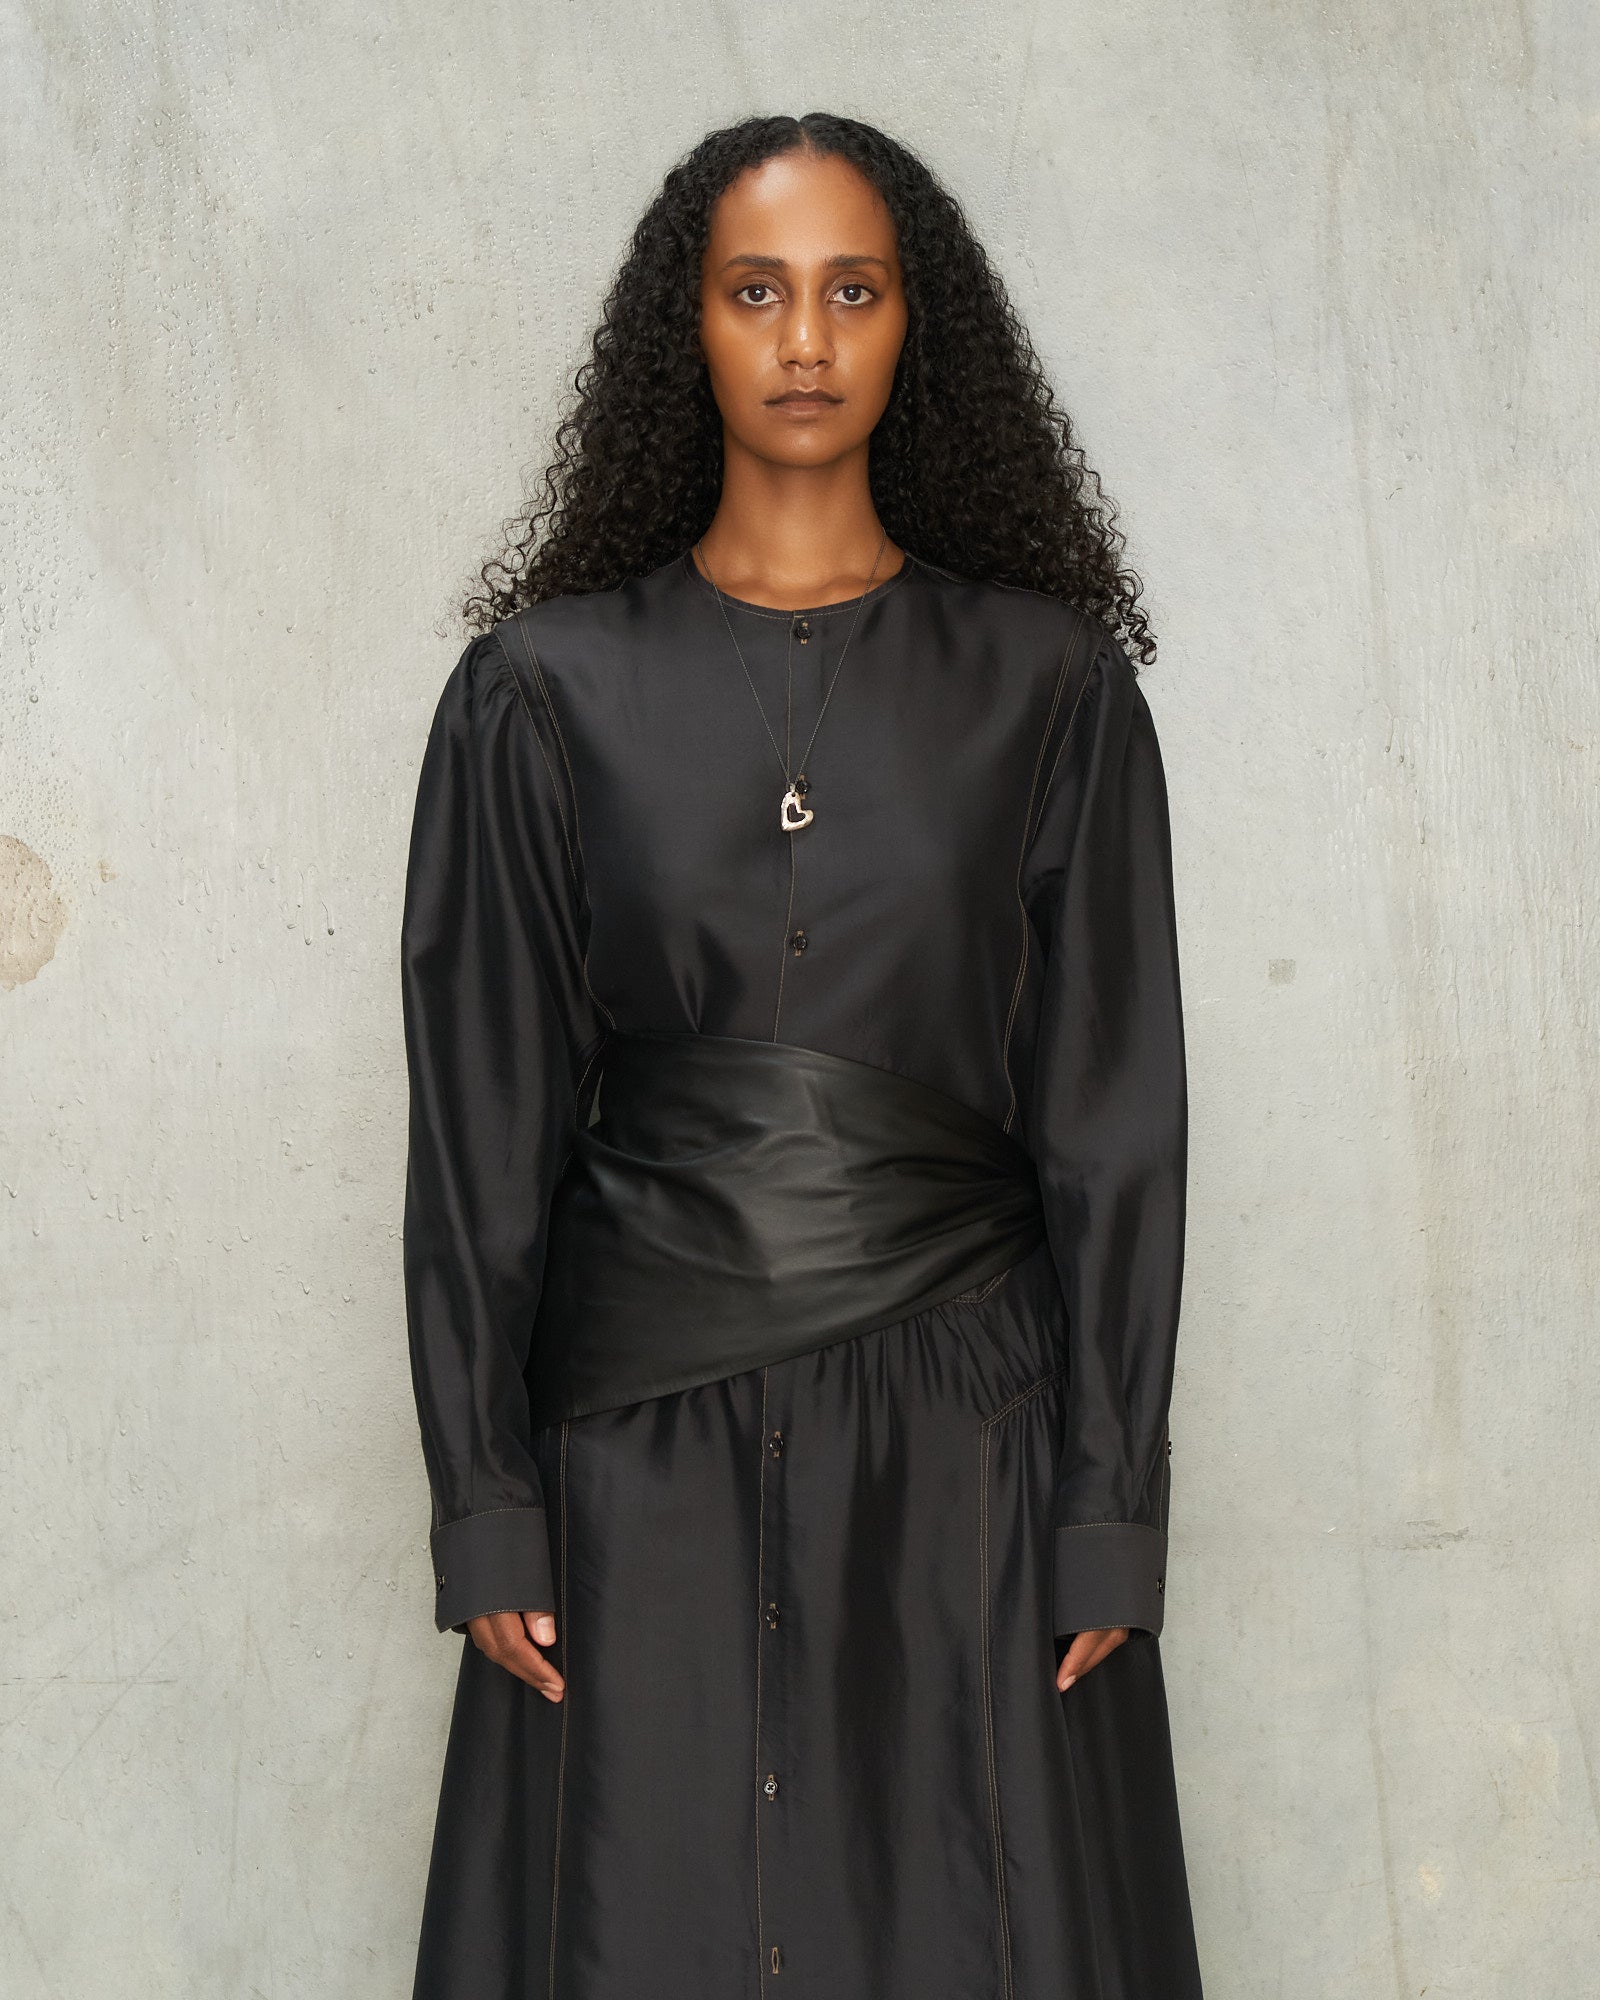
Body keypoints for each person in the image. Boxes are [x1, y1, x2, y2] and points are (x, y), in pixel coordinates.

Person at [399, 110, 1202, 2000]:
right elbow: (481, 1134)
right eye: (757, 292)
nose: (808, 341)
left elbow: (1116, 1130)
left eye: (855, 290)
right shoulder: (540, 695)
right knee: (647, 1910)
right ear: (686, 329)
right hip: (637, 1456)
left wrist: (1106, 1511)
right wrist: (486, 1499)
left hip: (962, 1444)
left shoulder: (1052, 689)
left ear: (921, 328)